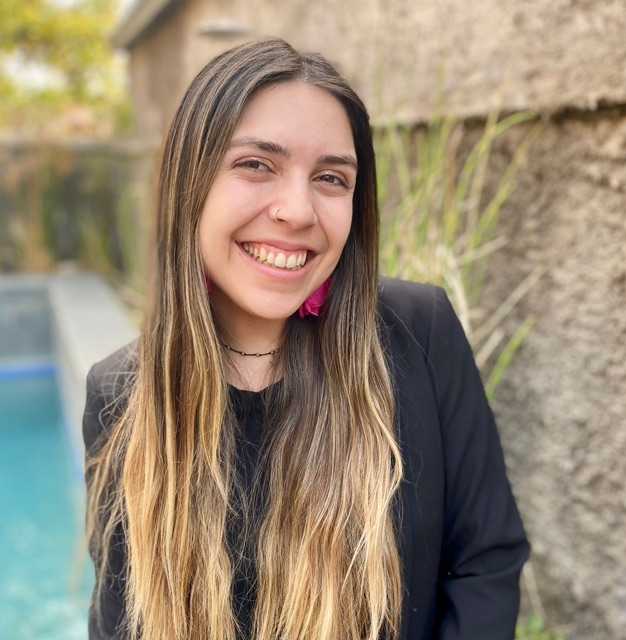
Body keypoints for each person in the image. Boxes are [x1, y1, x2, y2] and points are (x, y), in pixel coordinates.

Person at [82, 38, 531, 640]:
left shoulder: (418, 334)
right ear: (190, 182)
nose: (297, 211)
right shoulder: (121, 391)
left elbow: (485, 563)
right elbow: (122, 620)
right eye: (256, 165)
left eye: (331, 178)